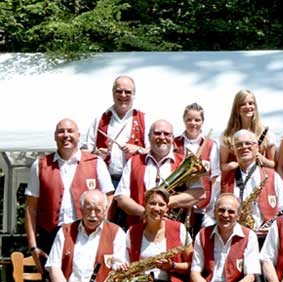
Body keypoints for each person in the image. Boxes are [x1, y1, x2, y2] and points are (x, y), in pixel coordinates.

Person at [26, 119, 114, 271]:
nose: (65, 135)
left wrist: (101, 227)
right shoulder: (40, 165)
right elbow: (31, 208)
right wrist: (33, 246)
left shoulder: (96, 163)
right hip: (50, 237)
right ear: (55, 136)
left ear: (79, 136)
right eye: (61, 131)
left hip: (87, 234)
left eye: (70, 131)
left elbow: (109, 197)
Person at [114, 120, 204, 227]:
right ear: (149, 136)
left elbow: (199, 193)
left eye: (167, 134)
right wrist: (145, 212)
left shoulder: (184, 162)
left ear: (172, 138)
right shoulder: (133, 162)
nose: (162, 137)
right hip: (138, 228)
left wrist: (165, 202)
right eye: (157, 133)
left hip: (173, 229)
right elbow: (121, 198)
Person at [205, 129, 283, 240]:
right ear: (234, 150)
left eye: (249, 143)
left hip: (265, 240)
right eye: (239, 145)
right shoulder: (222, 180)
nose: (244, 147)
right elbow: (210, 214)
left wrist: (273, 229)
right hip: (232, 240)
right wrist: (214, 235)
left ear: (257, 148)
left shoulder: (273, 177)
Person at [83, 75, 149, 185]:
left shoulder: (144, 119)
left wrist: (138, 149)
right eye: (119, 91)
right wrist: (96, 154)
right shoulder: (99, 119)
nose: (123, 95)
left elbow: (154, 150)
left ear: (133, 94)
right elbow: (84, 152)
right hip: (104, 180)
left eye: (127, 92)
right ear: (113, 93)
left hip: (134, 180)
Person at [173, 103, 221, 237]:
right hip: (180, 202)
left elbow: (215, 176)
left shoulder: (211, 145)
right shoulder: (174, 143)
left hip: (202, 205)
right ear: (184, 120)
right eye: (189, 119)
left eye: (197, 120)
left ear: (202, 122)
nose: (193, 123)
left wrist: (211, 205)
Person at [219, 89, 277, 174]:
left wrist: (263, 160)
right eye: (243, 104)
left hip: (259, 181)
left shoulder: (268, 134)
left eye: (251, 103)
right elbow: (222, 165)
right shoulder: (227, 135)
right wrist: (231, 166)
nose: (248, 106)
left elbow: (273, 164)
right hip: (236, 182)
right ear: (237, 109)